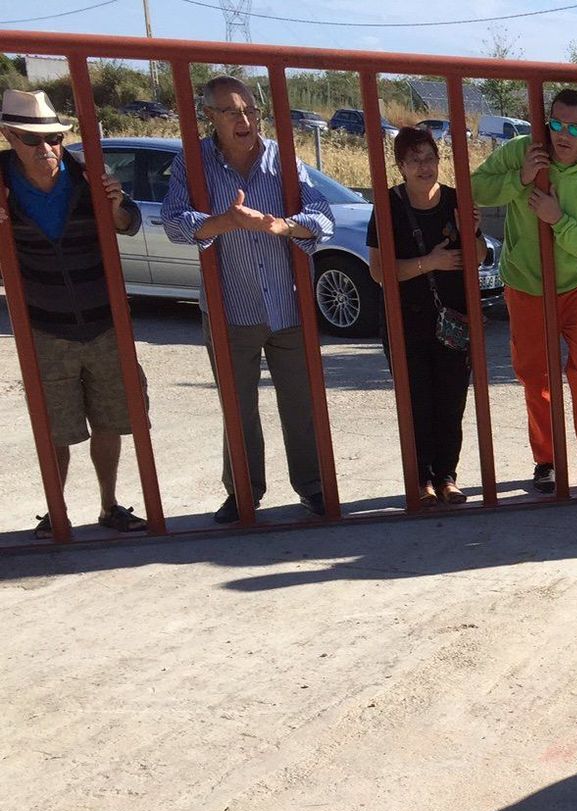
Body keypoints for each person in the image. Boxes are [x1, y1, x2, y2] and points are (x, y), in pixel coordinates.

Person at [162, 74, 334, 524]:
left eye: (251, 110)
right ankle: (243, 493)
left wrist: (283, 225)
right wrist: (225, 221)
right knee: (237, 408)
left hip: (288, 303)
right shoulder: (193, 162)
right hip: (230, 308)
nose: (244, 120)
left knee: (301, 404)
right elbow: (175, 221)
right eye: (232, 111)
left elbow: (322, 217)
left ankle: (314, 488)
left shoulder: (283, 158)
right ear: (209, 117)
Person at [0, 90, 147, 539]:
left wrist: (116, 206)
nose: (46, 148)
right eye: (31, 139)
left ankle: (109, 505)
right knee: (55, 427)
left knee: (112, 418)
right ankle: (55, 510)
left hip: (104, 322)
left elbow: (130, 222)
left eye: (55, 137)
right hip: (45, 327)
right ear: (8, 135)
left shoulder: (87, 176)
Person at [472, 88, 577, 492]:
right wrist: (519, 178)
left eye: (574, 127)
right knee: (536, 377)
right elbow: (474, 188)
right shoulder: (523, 151)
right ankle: (547, 462)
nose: (562, 134)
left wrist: (558, 220)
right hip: (525, 285)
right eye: (556, 123)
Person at [367, 126, 487, 506]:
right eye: (415, 160)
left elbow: (479, 256)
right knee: (416, 402)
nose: (424, 167)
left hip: (454, 320)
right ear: (400, 166)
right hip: (406, 321)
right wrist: (428, 262)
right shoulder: (388, 206)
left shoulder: (456, 201)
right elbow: (378, 272)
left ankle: (447, 477)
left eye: (430, 158)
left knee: (451, 403)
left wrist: (474, 232)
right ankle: (420, 481)